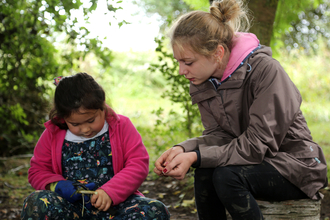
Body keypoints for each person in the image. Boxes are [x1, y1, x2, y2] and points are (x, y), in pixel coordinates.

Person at [154, 0, 328, 219]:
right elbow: (220, 135)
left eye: (188, 62)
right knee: (205, 173)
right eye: (179, 62)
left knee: (226, 176)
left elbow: (256, 145)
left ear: (217, 53)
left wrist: (196, 156)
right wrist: (183, 149)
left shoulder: (266, 71)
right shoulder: (204, 79)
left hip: (296, 167)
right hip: (254, 162)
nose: (181, 71)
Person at [21, 72, 170, 220]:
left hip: (116, 206)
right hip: (71, 209)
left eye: (91, 120)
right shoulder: (53, 134)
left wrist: (110, 191)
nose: (85, 129)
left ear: (102, 106)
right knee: (36, 202)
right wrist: (57, 185)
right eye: (75, 124)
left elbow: (138, 164)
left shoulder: (121, 127)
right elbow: (37, 171)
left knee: (155, 210)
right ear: (63, 117)